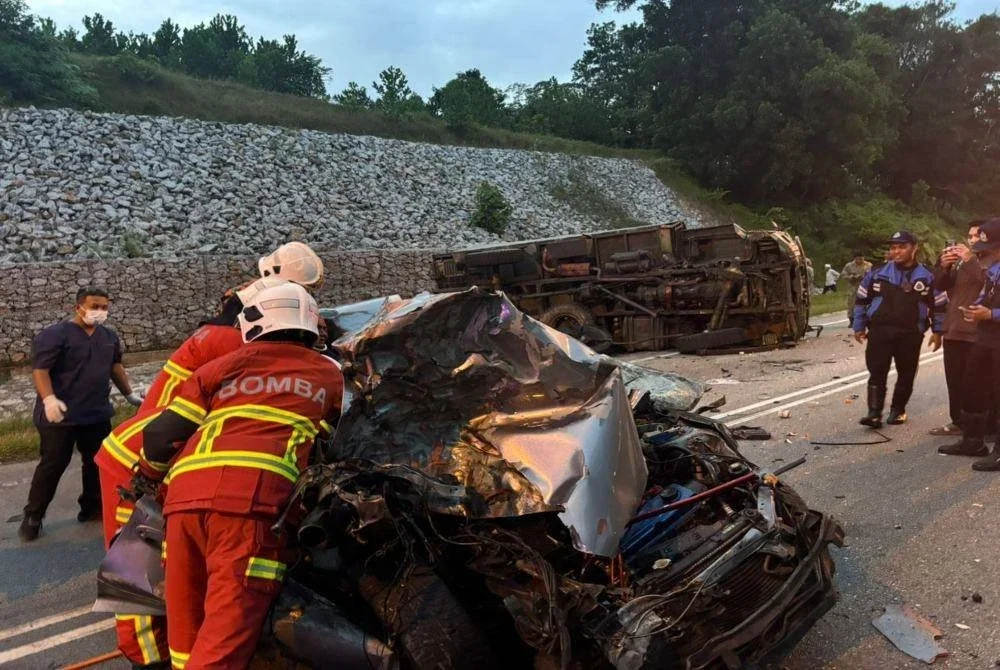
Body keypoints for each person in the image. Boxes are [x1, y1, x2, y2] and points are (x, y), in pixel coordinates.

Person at [132, 282, 344, 670]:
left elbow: (161, 435)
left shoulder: (218, 368)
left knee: (186, 624)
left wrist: (147, 476)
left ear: (252, 324)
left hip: (184, 504)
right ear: (312, 327)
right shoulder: (328, 374)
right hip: (253, 509)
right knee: (225, 637)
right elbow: (336, 444)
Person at [19, 287, 143, 542]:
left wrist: (129, 394)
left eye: (104, 307)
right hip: (59, 416)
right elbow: (40, 370)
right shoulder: (55, 336)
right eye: (94, 306)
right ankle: (33, 516)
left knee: (96, 462)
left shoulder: (108, 337)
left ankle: (91, 507)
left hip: (95, 413)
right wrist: (49, 399)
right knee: (53, 464)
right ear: (78, 307)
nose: (99, 312)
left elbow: (115, 367)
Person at [853, 231, 946, 428]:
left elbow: (939, 305)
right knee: (877, 370)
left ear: (915, 248)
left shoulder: (928, 276)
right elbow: (861, 300)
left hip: (910, 333)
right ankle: (874, 413)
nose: (897, 251)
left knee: (906, 372)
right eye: (893, 247)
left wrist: (938, 332)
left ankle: (898, 410)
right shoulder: (877, 273)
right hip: (880, 331)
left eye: (902, 247)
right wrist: (859, 326)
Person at [937, 217, 1000, 469]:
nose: (988, 252)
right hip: (985, 335)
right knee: (973, 387)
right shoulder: (994, 268)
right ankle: (972, 440)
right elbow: (986, 293)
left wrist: (991, 314)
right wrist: (976, 308)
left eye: (993, 247)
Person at [930, 222, 988, 437]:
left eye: (977, 235)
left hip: (979, 333)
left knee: (978, 383)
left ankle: (983, 426)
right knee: (954, 380)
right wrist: (944, 266)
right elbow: (939, 286)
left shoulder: (990, 263)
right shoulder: (961, 264)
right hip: (954, 329)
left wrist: (971, 260)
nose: (972, 240)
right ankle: (958, 421)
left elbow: (986, 281)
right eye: (969, 235)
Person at [840, 254, 873, 326]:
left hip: (865, 287)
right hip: (853, 287)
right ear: (855, 258)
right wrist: (852, 277)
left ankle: (867, 319)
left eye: (861, 259)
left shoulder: (868, 265)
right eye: (858, 259)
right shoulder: (849, 266)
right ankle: (851, 320)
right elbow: (843, 275)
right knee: (852, 304)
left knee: (867, 303)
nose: (860, 260)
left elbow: (873, 274)